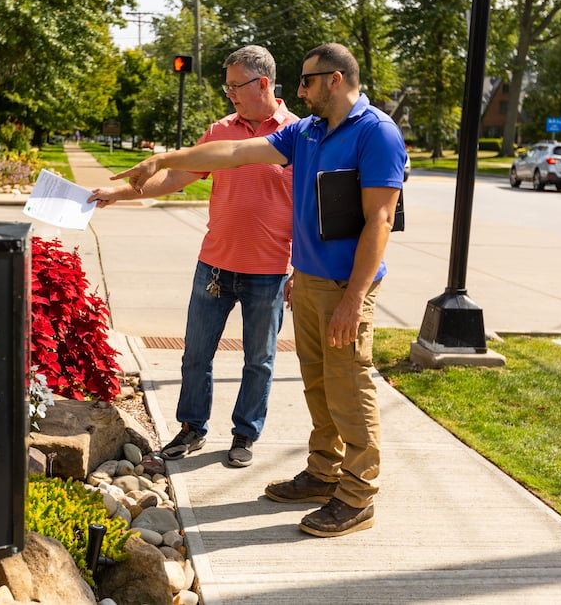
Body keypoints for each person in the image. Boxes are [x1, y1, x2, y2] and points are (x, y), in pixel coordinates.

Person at [110, 43, 406, 538]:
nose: (301, 90)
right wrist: (164, 157)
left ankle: (356, 497)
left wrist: (354, 299)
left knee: (350, 389)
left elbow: (380, 217)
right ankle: (323, 472)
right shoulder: (310, 131)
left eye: (308, 81)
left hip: (345, 286)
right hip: (309, 281)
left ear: (335, 79)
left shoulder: (376, 132)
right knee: (318, 386)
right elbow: (234, 152)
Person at [89, 45, 300, 468]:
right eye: (226, 87)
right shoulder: (220, 131)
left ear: (263, 83)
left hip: (271, 271)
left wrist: (301, 268)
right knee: (196, 354)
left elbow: (310, 208)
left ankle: (244, 435)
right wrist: (119, 193)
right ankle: (191, 429)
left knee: (259, 359)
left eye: (234, 86)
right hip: (215, 266)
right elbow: (176, 177)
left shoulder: (298, 133)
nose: (229, 95)